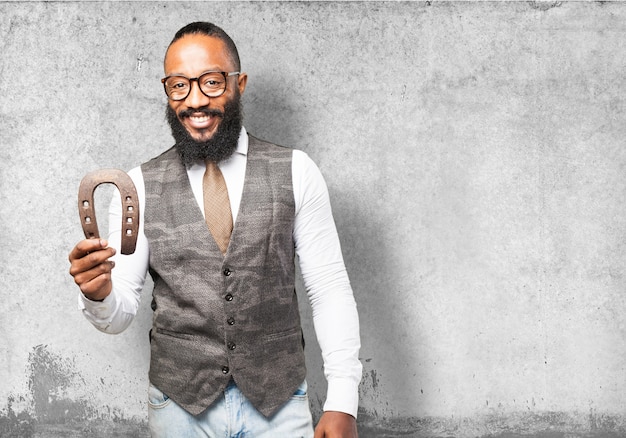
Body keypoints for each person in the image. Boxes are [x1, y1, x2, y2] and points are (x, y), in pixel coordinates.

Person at [68, 22, 361, 438]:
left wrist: (343, 401)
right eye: (179, 87)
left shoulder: (297, 171)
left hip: (278, 405)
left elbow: (329, 289)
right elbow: (120, 313)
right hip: (178, 409)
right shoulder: (138, 186)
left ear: (238, 83)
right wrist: (97, 294)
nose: (195, 101)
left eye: (210, 82)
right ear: (167, 92)